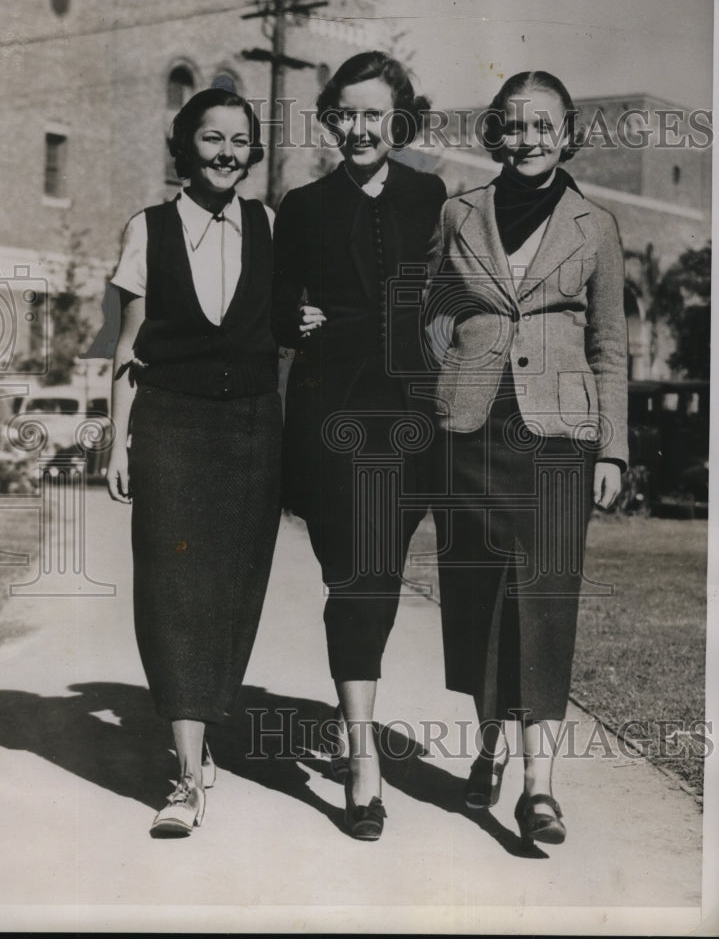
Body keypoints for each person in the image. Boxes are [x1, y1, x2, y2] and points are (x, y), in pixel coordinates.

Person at [425, 71, 627, 847]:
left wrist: (611, 448)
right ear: (493, 136)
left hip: (557, 439)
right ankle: (488, 751)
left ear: (566, 133)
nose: (527, 140)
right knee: (476, 600)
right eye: (512, 126)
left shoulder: (595, 225)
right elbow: (426, 313)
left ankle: (539, 786)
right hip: (470, 433)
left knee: (544, 600)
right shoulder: (456, 214)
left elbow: (610, 347)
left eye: (542, 126)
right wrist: (446, 384)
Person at [272, 51, 446, 840]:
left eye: (374, 114)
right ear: (329, 120)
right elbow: (272, 305)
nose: (358, 128)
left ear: (398, 118)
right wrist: (291, 320)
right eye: (344, 114)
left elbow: (453, 291)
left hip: (412, 420)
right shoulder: (302, 206)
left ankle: (356, 738)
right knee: (355, 579)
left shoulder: (430, 194)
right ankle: (364, 758)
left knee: (376, 577)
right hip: (330, 419)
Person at [107, 87, 281, 837]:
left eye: (238, 140)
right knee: (173, 584)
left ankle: (202, 725)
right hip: (172, 421)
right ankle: (184, 778)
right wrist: (119, 441)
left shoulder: (270, 225)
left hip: (251, 426)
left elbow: (286, 322)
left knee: (237, 584)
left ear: (252, 151)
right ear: (185, 148)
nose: (224, 152)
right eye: (210, 139)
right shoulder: (147, 229)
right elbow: (125, 348)